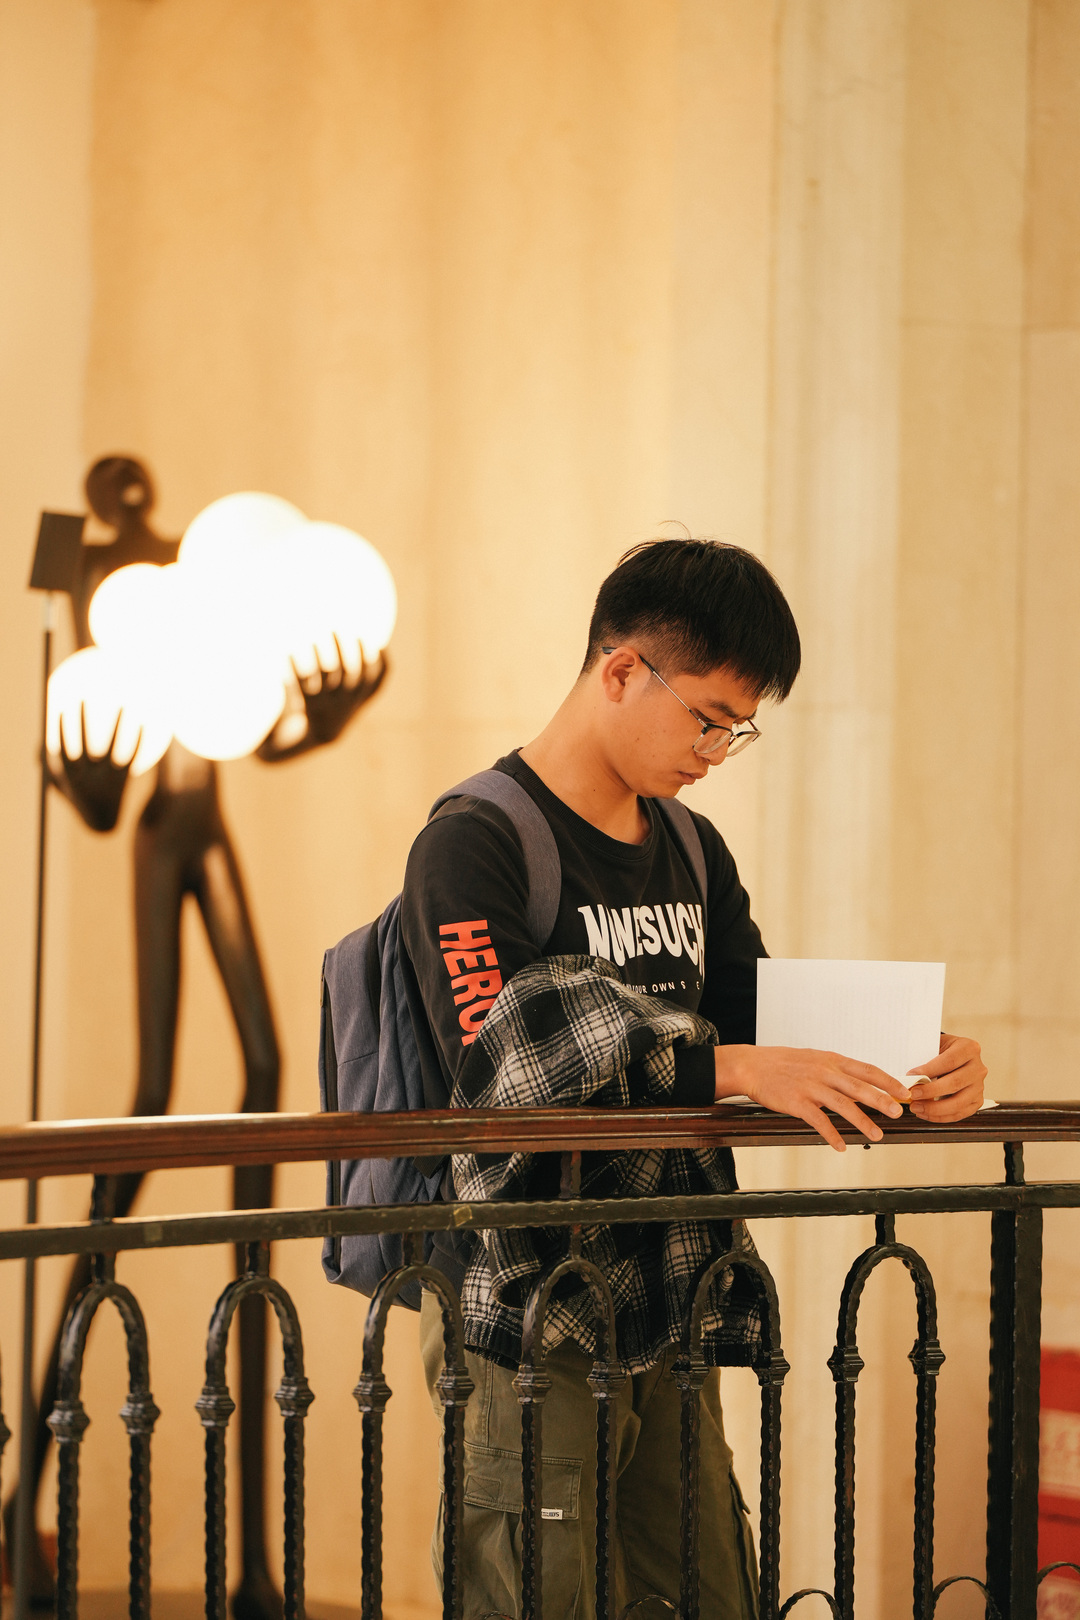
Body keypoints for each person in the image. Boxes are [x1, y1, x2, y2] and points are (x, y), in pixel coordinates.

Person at [400, 538, 986, 1619]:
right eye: (709, 718)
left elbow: (763, 1024)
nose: (718, 750)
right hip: (522, 1304)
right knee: (534, 1592)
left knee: (707, 1586)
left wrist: (924, 1061)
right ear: (622, 670)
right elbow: (501, 1064)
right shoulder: (475, 842)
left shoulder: (693, 847)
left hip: (668, 1286)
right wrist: (729, 1064)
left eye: (738, 729)